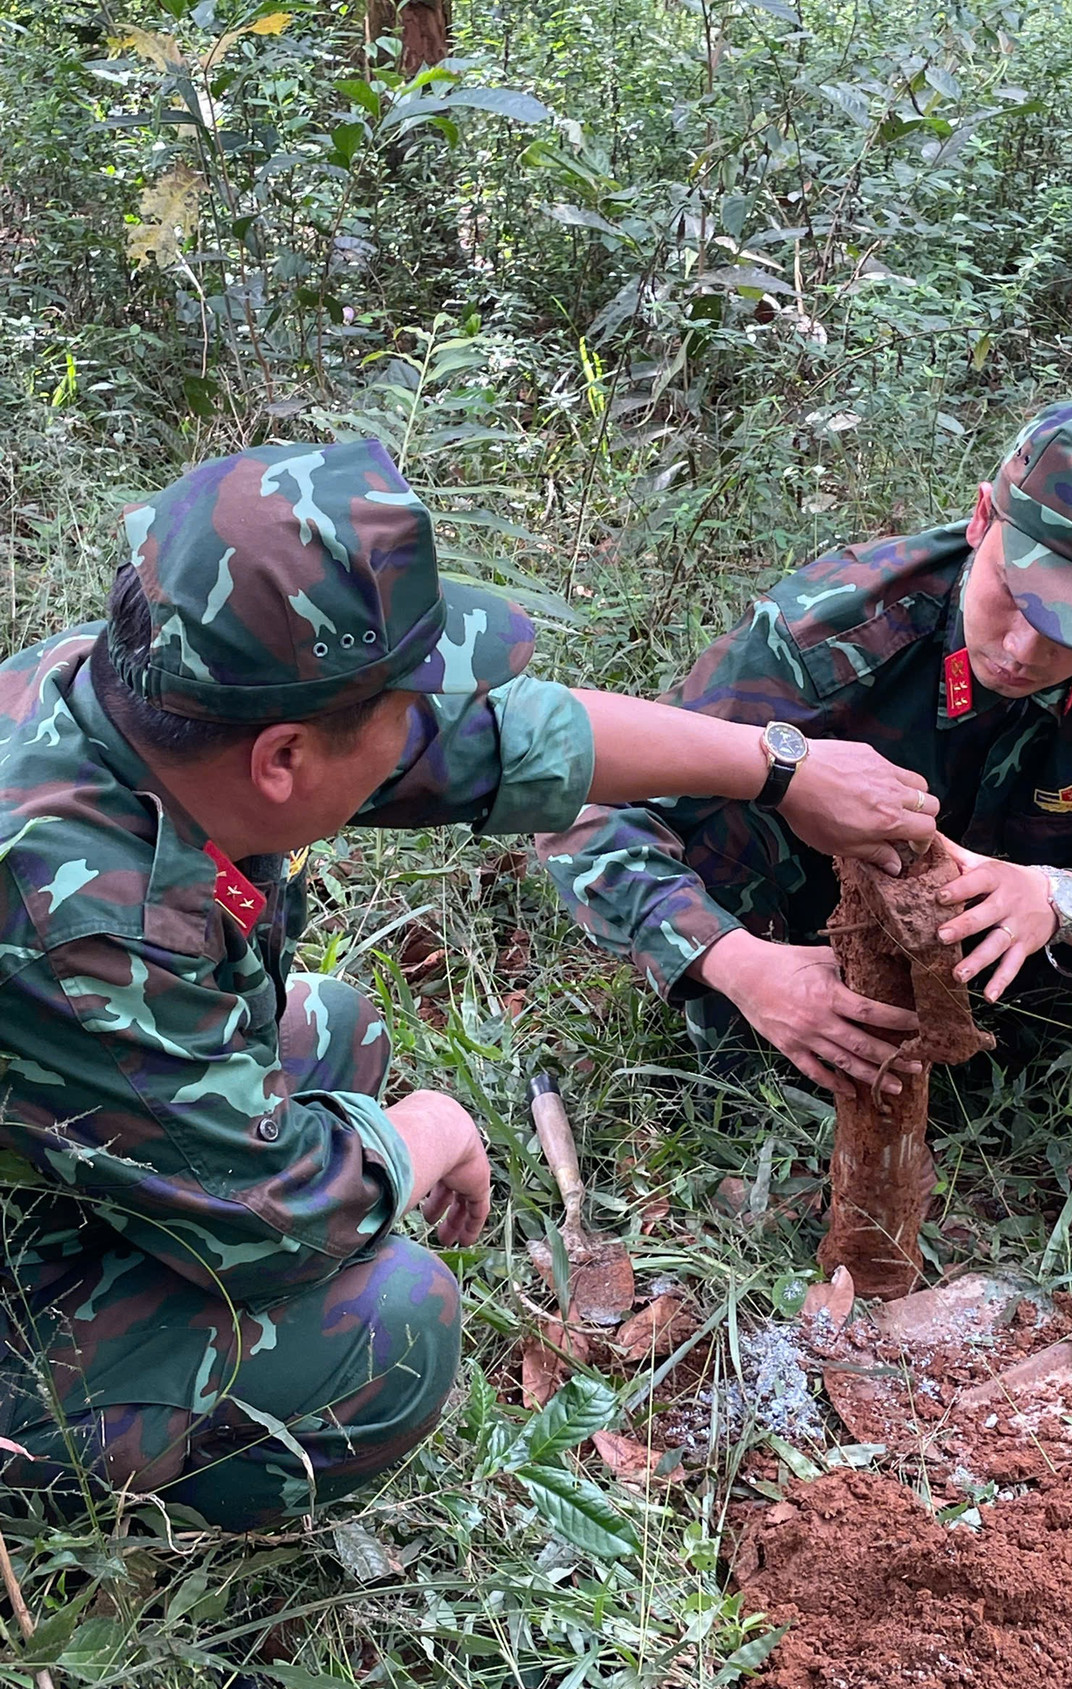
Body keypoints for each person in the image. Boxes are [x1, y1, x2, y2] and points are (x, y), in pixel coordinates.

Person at [0, 439, 938, 1530]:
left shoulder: (152, 690)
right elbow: (278, 1219)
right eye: (404, 702)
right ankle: (97, 1508)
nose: (425, 726)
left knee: (332, 1029)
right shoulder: (84, 920)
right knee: (391, 1326)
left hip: (57, 1093)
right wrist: (426, 1131)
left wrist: (784, 769)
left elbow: (503, 740)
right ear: (283, 760)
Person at [539, 401, 1072, 1135]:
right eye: (1014, 597)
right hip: (815, 939)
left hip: (1013, 957)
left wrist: (1060, 899)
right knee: (734, 794)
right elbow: (588, 809)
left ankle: (1052, 1120)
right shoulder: (834, 628)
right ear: (983, 519)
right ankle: (746, 1082)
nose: (1021, 650)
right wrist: (737, 963)